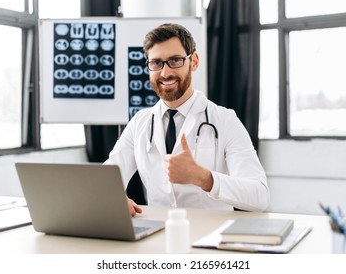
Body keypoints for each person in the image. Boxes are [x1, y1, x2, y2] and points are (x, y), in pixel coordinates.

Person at [104, 23, 269, 216]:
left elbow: (259, 196)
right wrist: (113, 197)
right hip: (158, 235)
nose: (165, 73)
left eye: (175, 60)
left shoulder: (224, 120)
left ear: (194, 61)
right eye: (156, 63)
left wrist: (204, 179)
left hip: (211, 238)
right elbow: (107, 180)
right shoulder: (140, 123)